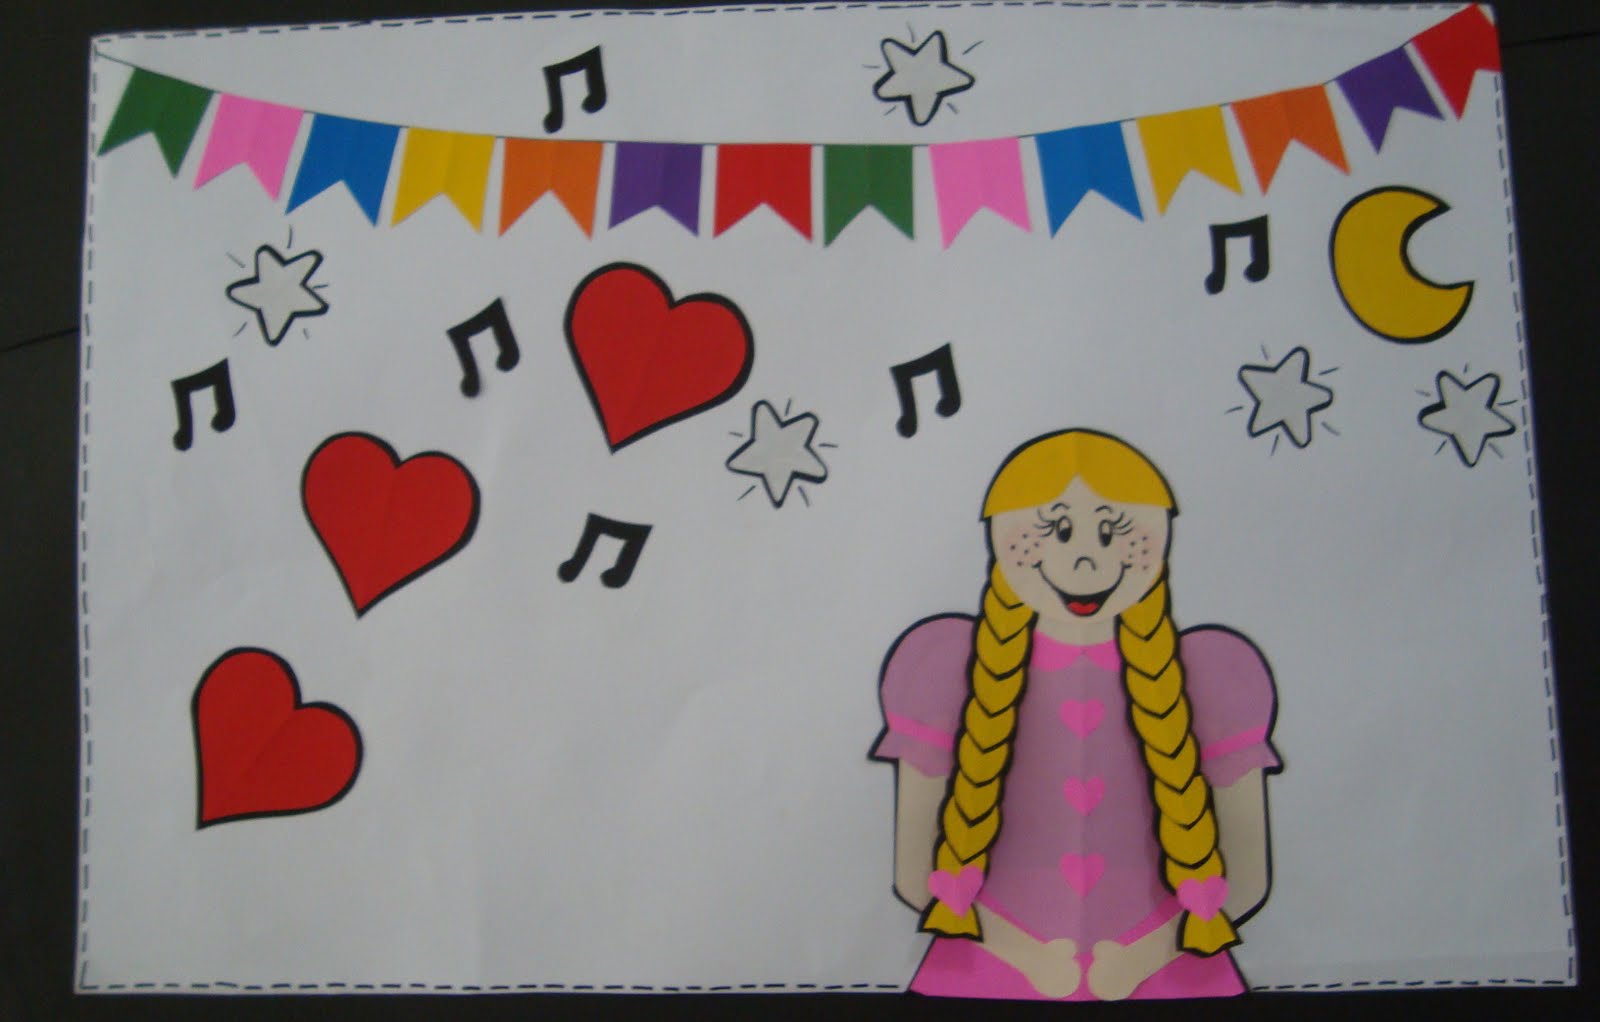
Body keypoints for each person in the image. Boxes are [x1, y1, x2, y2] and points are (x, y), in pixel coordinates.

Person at [871, 429, 1281, 1000]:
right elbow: (916, 873)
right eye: (1056, 529)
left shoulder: (1214, 670)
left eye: (1114, 531)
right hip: (980, 977)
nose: (1086, 559)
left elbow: (1247, 875)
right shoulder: (942, 663)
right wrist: (1029, 957)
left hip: (1179, 978)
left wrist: (1136, 962)